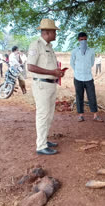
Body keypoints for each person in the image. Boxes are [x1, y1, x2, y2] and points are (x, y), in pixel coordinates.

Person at [27, 18, 64, 155]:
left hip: (50, 84)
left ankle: (44, 140)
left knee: (49, 115)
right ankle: (41, 146)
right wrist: (51, 72)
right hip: (41, 85)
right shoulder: (36, 45)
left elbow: (49, 66)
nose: (56, 34)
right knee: (43, 115)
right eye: (55, 31)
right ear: (48, 32)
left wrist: (57, 73)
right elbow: (30, 66)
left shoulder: (49, 47)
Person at [70, 32, 103, 122]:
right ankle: (81, 115)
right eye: (81, 39)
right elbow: (72, 63)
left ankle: (95, 115)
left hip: (88, 77)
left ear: (87, 39)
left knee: (92, 96)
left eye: (85, 39)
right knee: (79, 96)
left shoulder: (91, 51)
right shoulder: (75, 51)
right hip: (78, 77)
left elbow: (92, 63)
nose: (83, 41)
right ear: (78, 40)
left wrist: (86, 69)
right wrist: (78, 71)